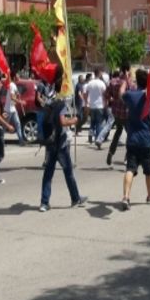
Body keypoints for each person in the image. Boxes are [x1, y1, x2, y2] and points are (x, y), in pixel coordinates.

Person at [38, 69, 87, 212]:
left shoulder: (49, 100)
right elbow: (62, 122)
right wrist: (74, 120)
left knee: (48, 173)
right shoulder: (61, 103)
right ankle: (75, 198)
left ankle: (44, 202)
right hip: (60, 143)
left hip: (50, 142)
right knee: (68, 171)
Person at [120, 68, 150, 210]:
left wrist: (125, 81)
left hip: (132, 139)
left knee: (130, 169)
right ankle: (149, 196)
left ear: (136, 82)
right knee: (149, 171)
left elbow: (121, 94)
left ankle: (126, 197)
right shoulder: (149, 97)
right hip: (146, 140)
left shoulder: (130, 95)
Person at [98, 64, 129, 166]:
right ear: (128, 70)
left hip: (116, 112)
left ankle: (111, 152)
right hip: (127, 113)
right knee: (130, 135)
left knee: (118, 132)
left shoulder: (113, 81)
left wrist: (113, 100)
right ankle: (127, 157)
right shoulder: (129, 83)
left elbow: (106, 95)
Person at [83, 68, 107, 144]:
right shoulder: (101, 83)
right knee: (99, 123)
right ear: (99, 74)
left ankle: (90, 133)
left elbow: (85, 94)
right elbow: (105, 94)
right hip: (100, 105)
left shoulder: (90, 83)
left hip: (92, 105)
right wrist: (105, 103)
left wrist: (86, 102)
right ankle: (98, 139)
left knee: (92, 122)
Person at [4, 71, 25, 146]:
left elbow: (14, 96)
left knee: (18, 124)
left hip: (12, 109)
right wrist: (21, 102)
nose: (19, 76)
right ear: (14, 77)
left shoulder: (13, 85)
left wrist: (17, 94)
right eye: (17, 74)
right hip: (8, 109)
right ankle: (0, 141)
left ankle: (21, 140)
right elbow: (12, 97)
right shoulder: (12, 85)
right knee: (4, 125)